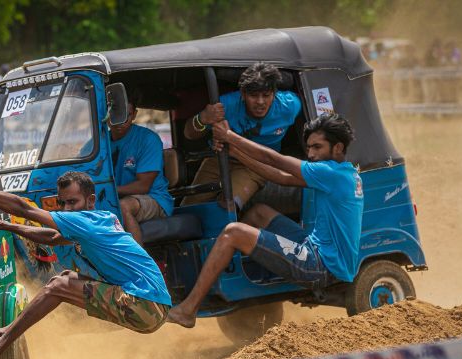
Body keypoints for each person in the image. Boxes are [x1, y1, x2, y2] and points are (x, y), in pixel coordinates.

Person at [0, 169, 171, 359]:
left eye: (72, 202)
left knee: (59, 286)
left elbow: (22, 209)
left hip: (144, 304)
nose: (65, 209)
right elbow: (54, 237)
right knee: (62, 279)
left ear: (90, 201)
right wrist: (7, 226)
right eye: (61, 203)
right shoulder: (103, 217)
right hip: (154, 305)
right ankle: (4, 332)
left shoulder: (84, 222)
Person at [167, 113, 363, 328]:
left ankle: (188, 309)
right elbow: (282, 178)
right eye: (308, 148)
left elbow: (273, 159)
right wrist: (236, 153)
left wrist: (229, 136)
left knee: (233, 232)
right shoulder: (344, 173)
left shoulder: (329, 173)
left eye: (318, 147)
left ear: (338, 148)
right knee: (258, 213)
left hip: (320, 265)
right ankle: (247, 272)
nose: (311, 154)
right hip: (317, 250)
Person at [182, 62, 302, 209]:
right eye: (253, 95)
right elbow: (188, 133)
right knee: (188, 207)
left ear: (274, 93)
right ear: (243, 94)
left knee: (227, 207)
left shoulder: (290, 106)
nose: (260, 102)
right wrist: (201, 118)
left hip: (257, 164)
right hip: (220, 157)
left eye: (266, 95)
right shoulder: (226, 105)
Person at [110, 101, 173, 244]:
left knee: (123, 207)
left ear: (134, 115)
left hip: (154, 198)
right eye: (115, 114)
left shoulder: (147, 139)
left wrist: (109, 190)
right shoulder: (99, 143)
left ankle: (139, 264)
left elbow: (143, 186)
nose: (121, 120)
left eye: (126, 115)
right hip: (113, 198)